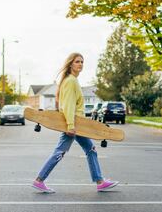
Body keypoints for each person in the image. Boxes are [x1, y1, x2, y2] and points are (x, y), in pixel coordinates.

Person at [32, 53, 119, 193]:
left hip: (79, 124)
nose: (80, 64)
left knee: (91, 150)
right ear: (70, 64)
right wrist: (70, 126)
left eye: (82, 62)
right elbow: (68, 105)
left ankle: (100, 181)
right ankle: (39, 180)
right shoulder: (71, 81)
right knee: (60, 152)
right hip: (73, 124)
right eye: (77, 61)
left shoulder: (71, 80)